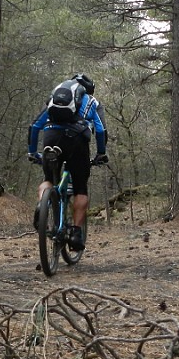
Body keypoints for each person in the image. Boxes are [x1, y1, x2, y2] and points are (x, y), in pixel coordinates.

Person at [27, 73, 108, 251]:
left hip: (51, 136)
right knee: (80, 187)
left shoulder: (53, 100)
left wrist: (32, 151)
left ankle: (43, 204)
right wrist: (101, 153)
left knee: (48, 179)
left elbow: (35, 126)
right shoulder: (92, 101)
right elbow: (100, 130)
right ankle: (76, 233)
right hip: (76, 141)